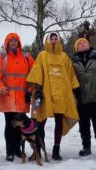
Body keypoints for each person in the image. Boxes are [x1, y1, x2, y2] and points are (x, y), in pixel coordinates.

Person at [26, 32, 80, 161]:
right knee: (40, 121)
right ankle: (38, 149)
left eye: (56, 39)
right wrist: (38, 90)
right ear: (47, 41)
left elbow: (70, 75)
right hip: (45, 94)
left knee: (59, 122)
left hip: (61, 94)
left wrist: (73, 90)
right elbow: (37, 72)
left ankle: (56, 149)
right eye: (52, 39)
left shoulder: (64, 57)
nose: (54, 40)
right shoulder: (42, 56)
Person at [0, 32, 35, 161]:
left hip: (22, 98)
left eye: (15, 40)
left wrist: (30, 90)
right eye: (10, 41)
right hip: (7, 98)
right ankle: (9, 151)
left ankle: (18, 149)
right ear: (6, 43)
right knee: (9, 125)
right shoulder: (2, 58)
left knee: (20, 126)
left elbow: (33, 76)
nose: (13, 43)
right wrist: (1, 88)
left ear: (19, 42)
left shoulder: (27, 57)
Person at [71, 37, 96, 157]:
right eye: (79, 43)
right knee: (84, 125)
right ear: (76, 47)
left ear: (89, 45)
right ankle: (86, 147)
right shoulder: (73, 62)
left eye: (84, 42)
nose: (82, 44)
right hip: (81, 99)